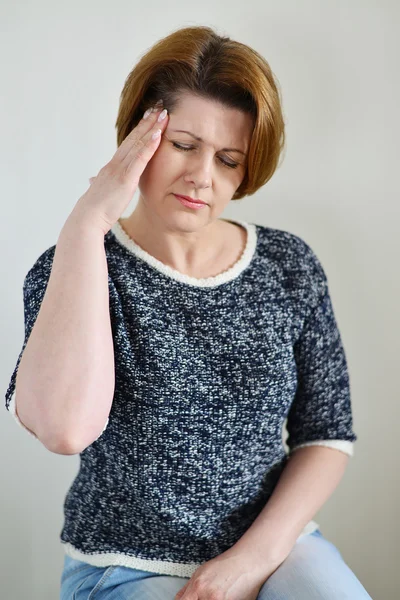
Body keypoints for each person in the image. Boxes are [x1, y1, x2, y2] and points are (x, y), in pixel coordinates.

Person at [5, 25, 372, 600]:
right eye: (182, 145)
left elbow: (326, 434)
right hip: (125, 566)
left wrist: (249, 561)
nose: (203, 176)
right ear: (137, 137)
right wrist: (86, 223)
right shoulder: (76, 265)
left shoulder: (289, 265)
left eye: (229, 159)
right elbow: (64, 429)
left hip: (277, 549)